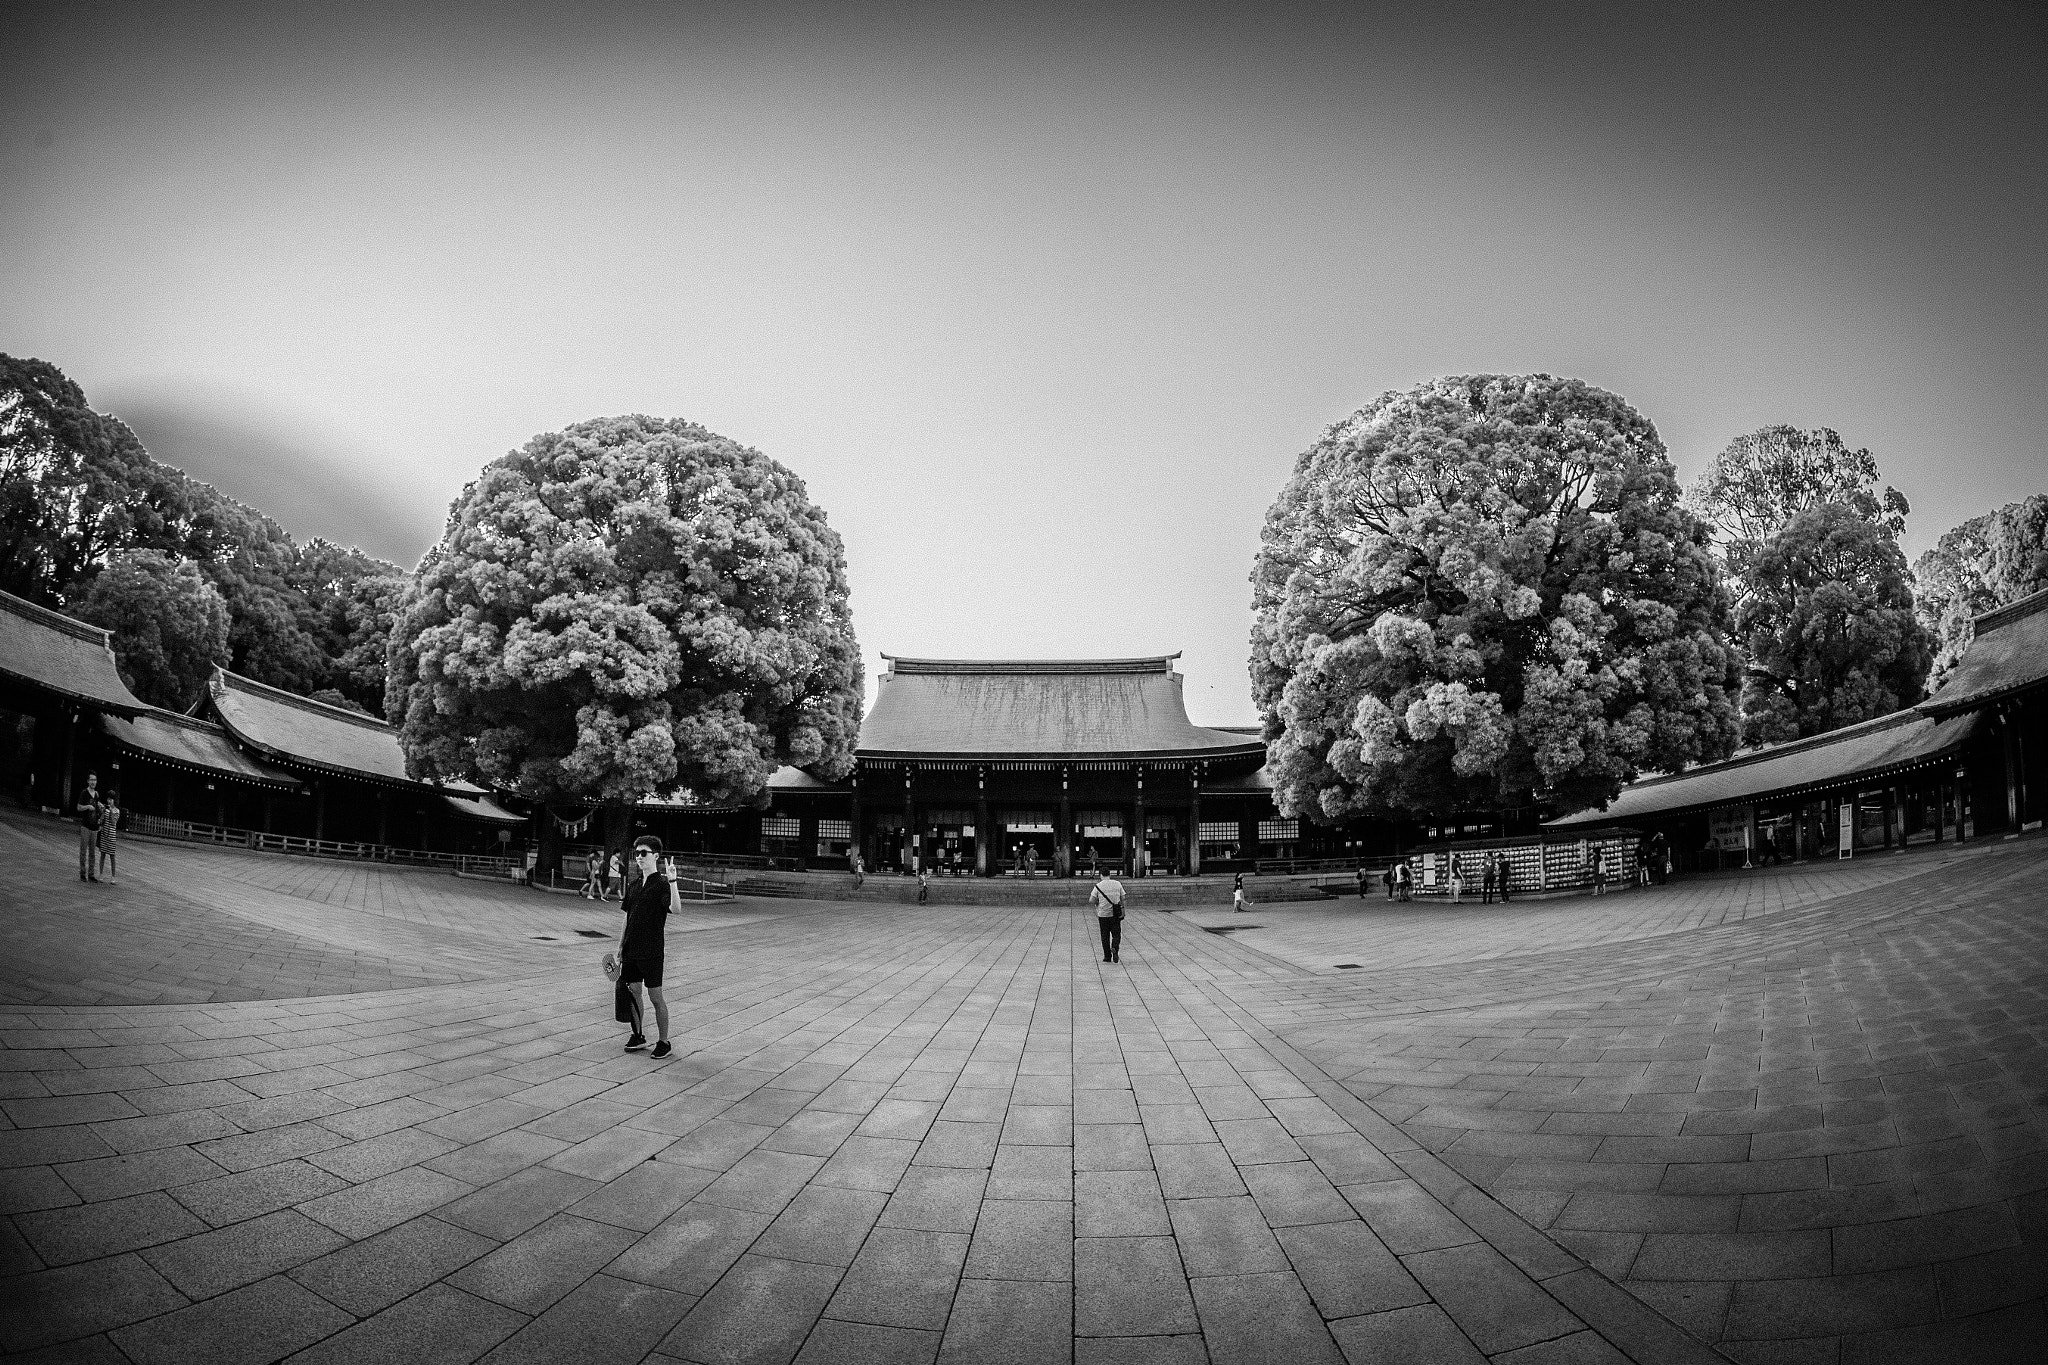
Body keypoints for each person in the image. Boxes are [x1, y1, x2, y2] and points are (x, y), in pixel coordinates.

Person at [618, 837, 681, 1058]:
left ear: (656, 856)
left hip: (652, 951)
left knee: (656, 997)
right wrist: (620, 945)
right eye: (637, 853)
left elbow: (676, 908)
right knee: (634, 992)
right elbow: (627, 917)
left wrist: (673, 881)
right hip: (631, 950)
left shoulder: (661, 885)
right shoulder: (634, 885)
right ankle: (638, 1036)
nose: (639, 857)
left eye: (643, 853)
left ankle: (664, 1041)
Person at [1091, 869, 1125, 963]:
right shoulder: (1117, 884)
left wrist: (1098, 902)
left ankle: (1107, 956)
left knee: (1105, 935)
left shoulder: (1098, 886)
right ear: (1109, 874)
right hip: (1115, 913)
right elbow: (1123, 897)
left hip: (1103, 914)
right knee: (1116, 934)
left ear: (1101, 875)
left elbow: (1092, 900)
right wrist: (1123, 909)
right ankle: (1114, 947)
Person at [75, 772, 101, 882]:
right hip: (85, 826)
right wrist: (88, 806)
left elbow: (98, 809)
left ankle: (91, 874)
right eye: (91, 780)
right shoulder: (84, 793)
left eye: (95, 780)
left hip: (94, 827)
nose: (93, 782)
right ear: (88, 781)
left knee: (92, 852)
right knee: (83, 851)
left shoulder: (97, 795)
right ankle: (82, 873)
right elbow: (79, 807)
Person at [97, 792, 121, 884]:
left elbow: (113, 822)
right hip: (104, 834)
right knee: (102, 854)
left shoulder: (117, 811)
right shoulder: (105, 809)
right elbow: (101, 821)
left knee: (112, 856)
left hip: (111, 835)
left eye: (111, 799)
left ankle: (113, 877)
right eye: (108, 799)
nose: (109, 801)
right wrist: (102, 812)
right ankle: (101, 874)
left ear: (114, 800)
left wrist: (110, 811)